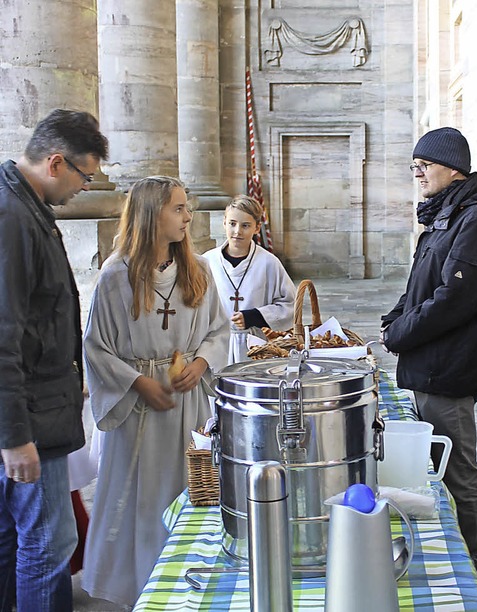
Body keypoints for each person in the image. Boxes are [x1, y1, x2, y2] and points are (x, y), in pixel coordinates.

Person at [81, 176, 229, 606]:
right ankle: (140, 587)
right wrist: (137, 381)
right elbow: (96, 348)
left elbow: (218, 330)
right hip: (139, 412)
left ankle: (188, 584)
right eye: (178, 209)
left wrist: (202, 362)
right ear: (151, 215)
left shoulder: (197, 270)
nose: (188, 217)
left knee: (189, 494)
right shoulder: (115, 278)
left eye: (186, 208)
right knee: (141, 503)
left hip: (187, 402)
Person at [380, 127, 477, 587]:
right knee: (438, 467)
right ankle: (449, 552)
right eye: (414, 165)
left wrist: (401, 335)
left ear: (453, 167)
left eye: (424, 165)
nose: (417, 173)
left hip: (450, 367)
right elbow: (421, 286)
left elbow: (455, 298)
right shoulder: (444, 216)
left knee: (459, 472)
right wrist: (393, 318)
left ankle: (472, 568)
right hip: (429, 363)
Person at [0, 109, 108, 611]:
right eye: (85, 176)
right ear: (57, 161)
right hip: (29, 425)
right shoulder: (13, 216)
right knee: (48, 548)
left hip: (34, 411)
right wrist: (15, 437)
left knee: (13, 543)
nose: (86, 187)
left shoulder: (26, 207)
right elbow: (4, 335)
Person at [203, 194, 295, 363]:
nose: (237, 231)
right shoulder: (207, 262)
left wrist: (254, 316)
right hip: (216, 344)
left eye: (245, 225)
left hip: (256, 346)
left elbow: (289, 304)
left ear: (257, 227)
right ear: (224, 223)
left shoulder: (268, 263)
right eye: (232, 224)